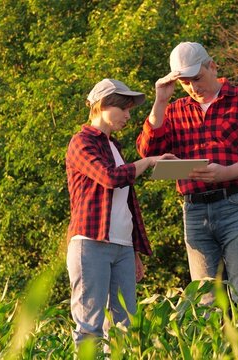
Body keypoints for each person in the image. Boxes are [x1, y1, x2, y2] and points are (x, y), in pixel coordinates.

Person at [136, 42, 238, 307]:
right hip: (195, 210)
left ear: (212, 67)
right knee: (204, 300)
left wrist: (226, 173)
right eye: (185, 83)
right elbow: (149, 151)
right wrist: (160, 101)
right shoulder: (174, 109)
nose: (193, 88)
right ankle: (214, 349)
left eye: (197, 79)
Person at [65, 78, 173, 347]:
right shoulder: (82, 142)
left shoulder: (114, 147)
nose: (127, 116)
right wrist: (147, 161)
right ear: (102, 106)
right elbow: (109, 178)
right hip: (91, 242)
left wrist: (134, 252)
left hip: (122, 246)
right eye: (123, 109)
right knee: (90, 326)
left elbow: (125, 205)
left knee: (126, 326)